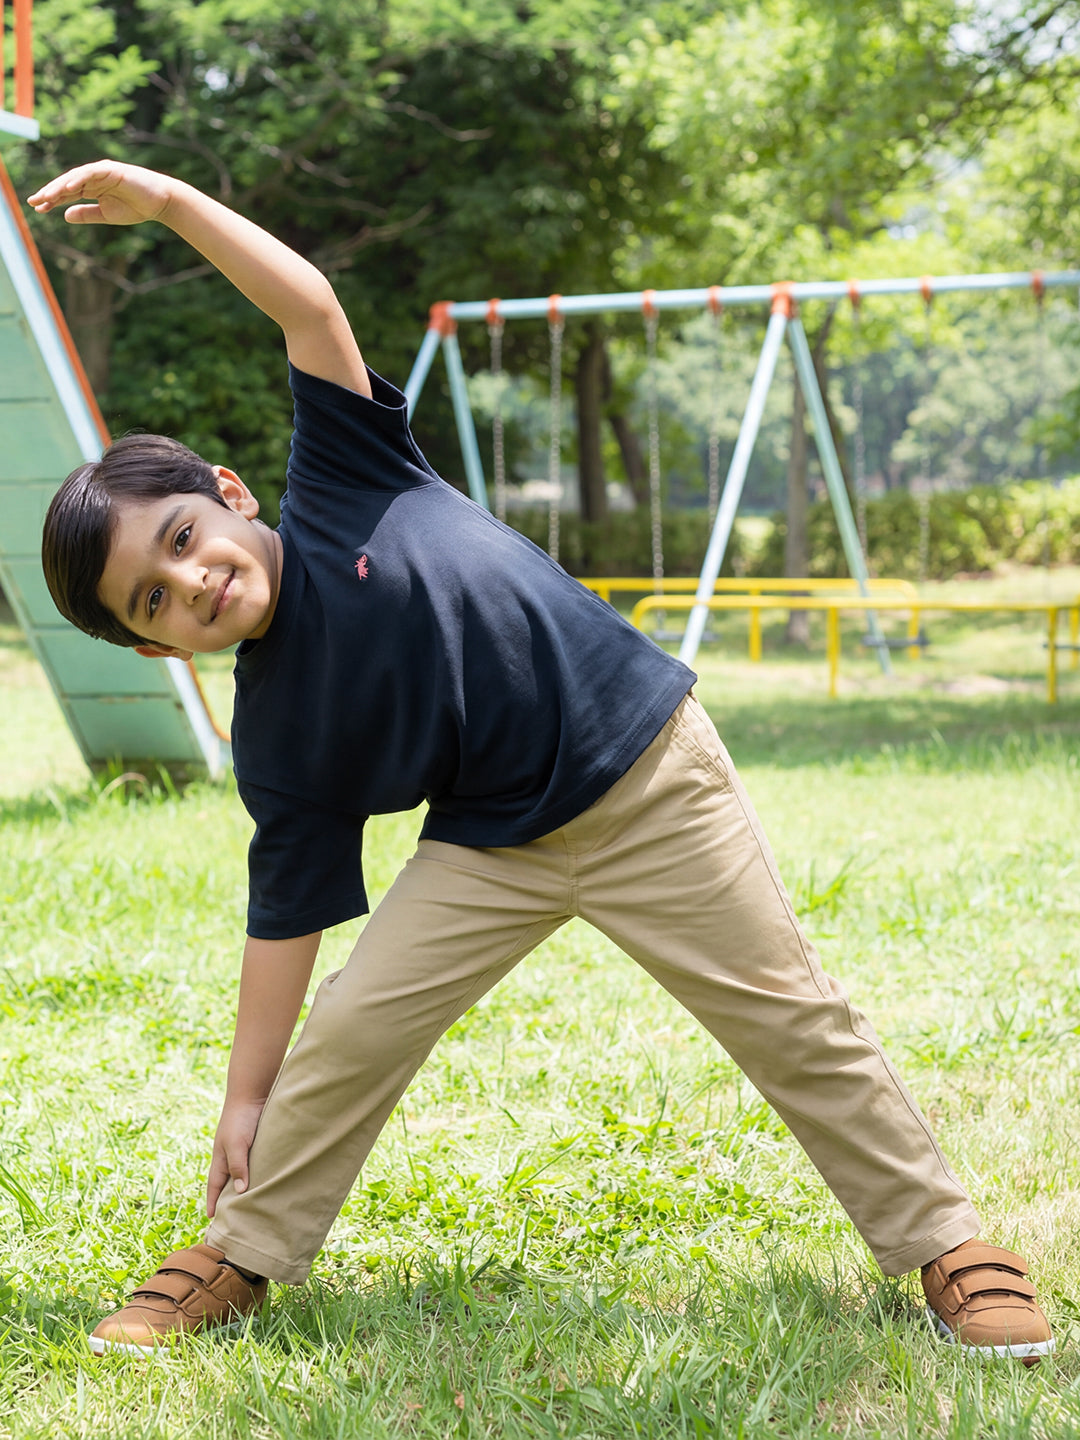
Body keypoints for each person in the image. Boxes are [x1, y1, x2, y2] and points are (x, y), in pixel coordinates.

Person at [30, 160, 1052, 1364]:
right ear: (156, 643)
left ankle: (948, 1242)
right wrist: (245, 1097)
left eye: (186, 538)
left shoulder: (347, 479)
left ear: (231, 495)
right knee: (352, 1027)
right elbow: (287, 915)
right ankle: (240, 1253)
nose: (194, 580)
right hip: (495, 842)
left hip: (645, 773)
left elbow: (308, 307)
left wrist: (170, 204)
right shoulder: (278, 736)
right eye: (156, 598)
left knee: (790, 1015)